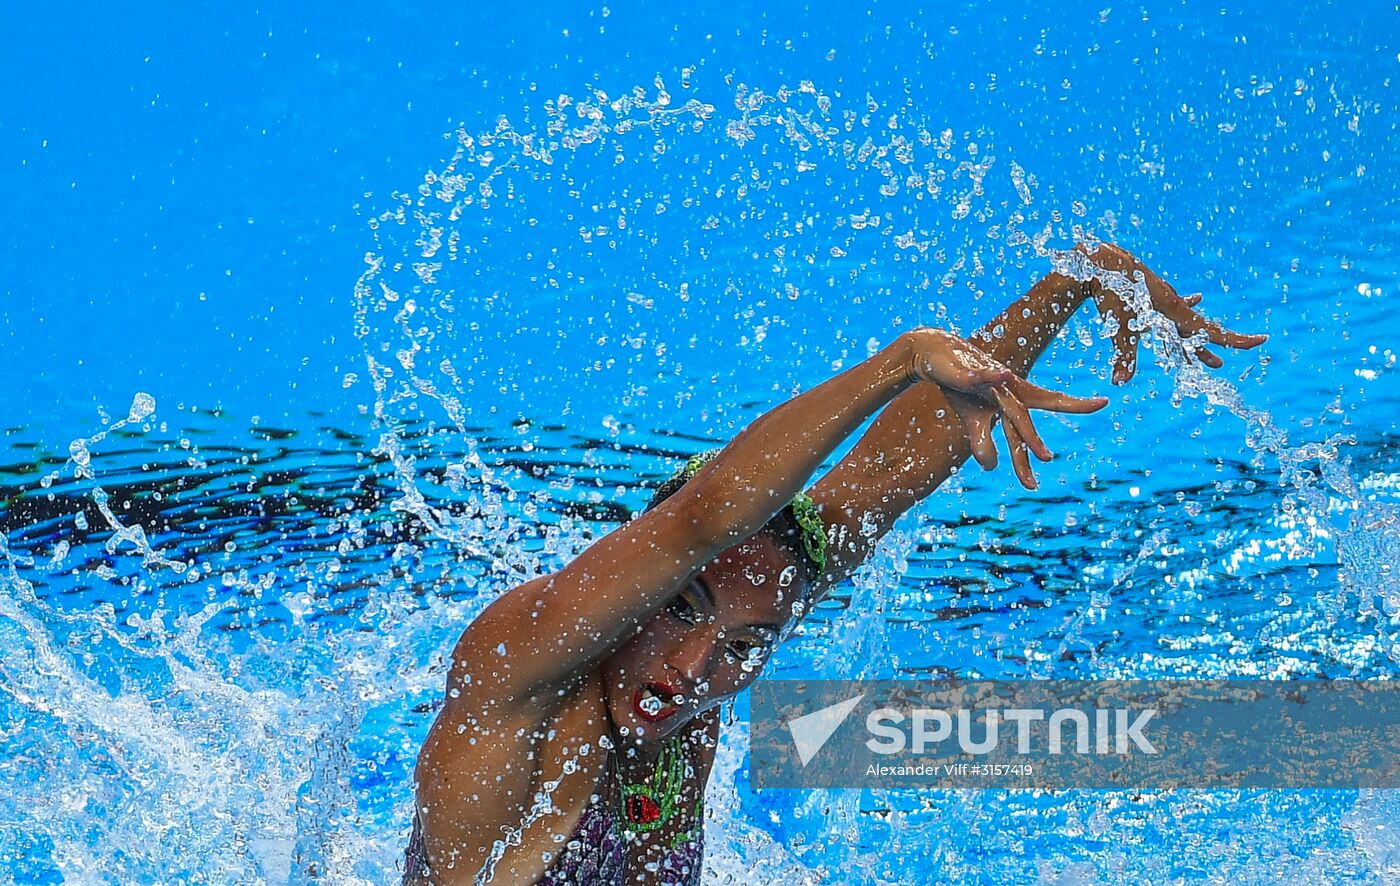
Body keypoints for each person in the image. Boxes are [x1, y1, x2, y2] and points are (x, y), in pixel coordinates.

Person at [402, 244, 1266, 885]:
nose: (697, 667)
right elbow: (703, 521)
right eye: (686, 608)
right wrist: (899, 362)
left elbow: (883, 478)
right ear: (644, 579)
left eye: (746, 645)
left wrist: (1075, 282)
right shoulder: (519, 676)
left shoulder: (696, 680)